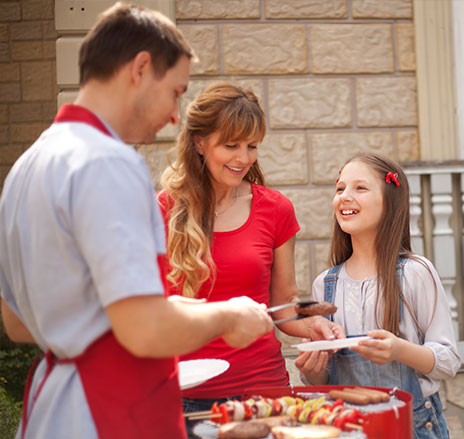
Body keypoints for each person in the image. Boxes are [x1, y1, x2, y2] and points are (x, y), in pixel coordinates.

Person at [0, 4, 274, 439]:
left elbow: (17, 322)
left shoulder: (27, 165)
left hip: (51, 408)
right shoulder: (109, 162)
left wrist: (182, 308)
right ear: (141, 68)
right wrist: (227, 315)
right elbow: (144, 330)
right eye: (175, 92)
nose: (173, 115)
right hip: (110, 409)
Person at [158, 82, 344, 436]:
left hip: (263, 395)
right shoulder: (160, 211)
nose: (243, 158)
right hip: (182, 400)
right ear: (200, 142)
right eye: (231, 145)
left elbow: (285, 302)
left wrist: (314, 327)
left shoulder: (275, 209)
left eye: (252, 146)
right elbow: (149, 311)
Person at [295, 152, 461, 439]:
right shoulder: (325, 285)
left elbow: (448, 361)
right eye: (340, 188)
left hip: (412, 428)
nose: (345, 196)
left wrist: (399, 350)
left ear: (390, 202)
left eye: (360, 188)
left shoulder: (415, 273)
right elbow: (323, 380)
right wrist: (313, 370)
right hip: (346, 428)